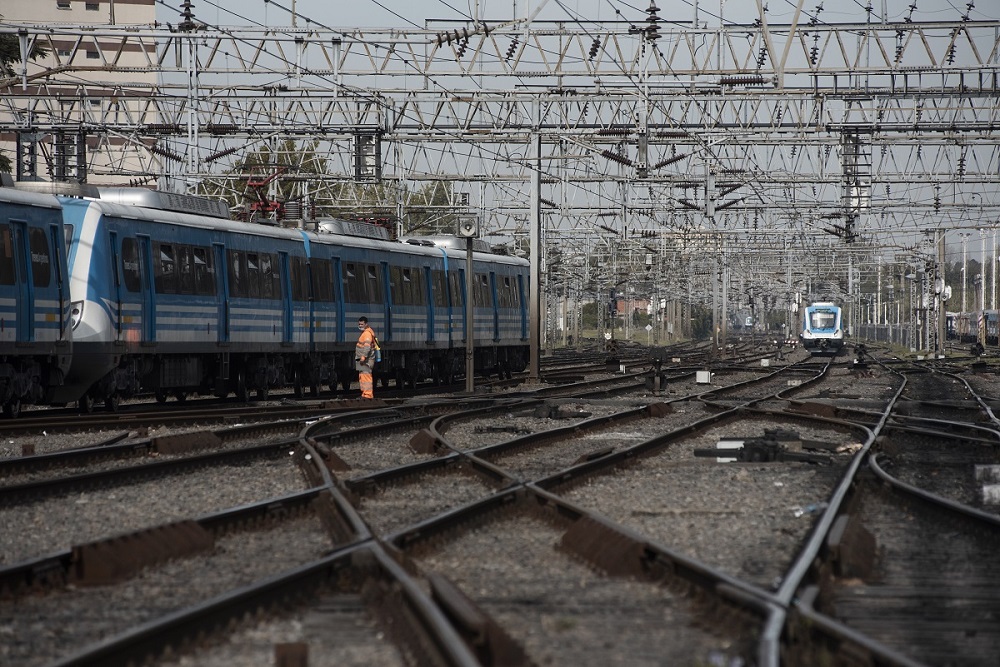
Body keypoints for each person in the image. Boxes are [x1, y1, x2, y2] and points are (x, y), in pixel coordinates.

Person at [355, 316, 377, 399]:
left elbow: (367, 347)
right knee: (362, 376)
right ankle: (364, 394)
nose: (360, 326)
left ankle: (368, 395)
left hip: (365, 360)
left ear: (366, 324)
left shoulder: (367, 334)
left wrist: (363, 357)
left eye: (362, 324)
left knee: (366, 377)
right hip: (363, 359)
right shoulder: (365, 333)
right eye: (359, 324)